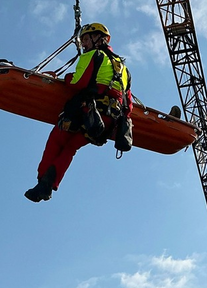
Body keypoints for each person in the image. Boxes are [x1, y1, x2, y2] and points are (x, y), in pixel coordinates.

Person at [25, 22, 132, 202]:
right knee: (71, 147)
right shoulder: (124, 69)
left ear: (98, 38)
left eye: (85, 39)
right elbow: (128, 105)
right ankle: (47, 185)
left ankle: (43, 184)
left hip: (88, 111)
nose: (83, 44)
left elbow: (78, 82)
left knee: (57, 140)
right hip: (106, 121)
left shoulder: (93, 55)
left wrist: (64, 78)